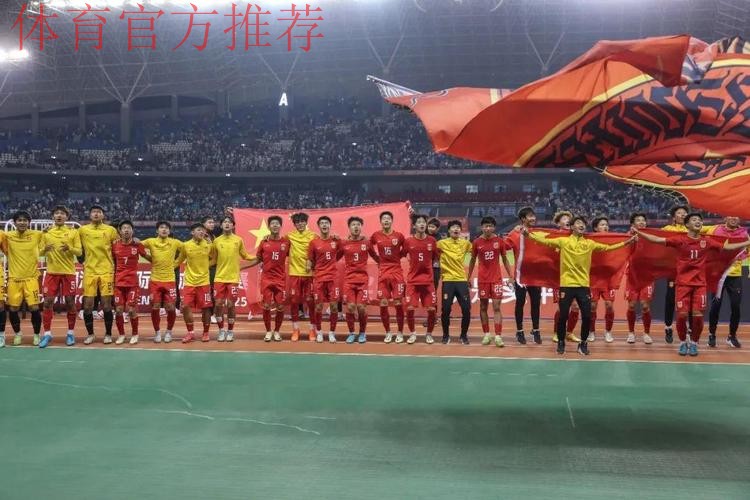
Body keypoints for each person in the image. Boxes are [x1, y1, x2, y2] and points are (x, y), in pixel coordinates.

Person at [633, 213, 750, 356]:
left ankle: (694, 343)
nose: (698, 222)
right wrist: (639, 232)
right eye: (694, 220)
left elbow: (727, 247)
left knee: (698, 316)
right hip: (683, 284)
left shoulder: (706, 241)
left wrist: (746, 243)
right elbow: (657, 239)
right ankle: (683, 342)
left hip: (700, 285)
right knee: (682, 315)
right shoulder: (680, 240)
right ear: (687, 225)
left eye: (700, 220)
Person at [524, 216, 634, 355]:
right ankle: (561, 342)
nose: (581, 225)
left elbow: (608, 248)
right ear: (572, 227)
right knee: (563, 316)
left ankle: (583, 344)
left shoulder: (589, 243)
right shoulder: (563, 241)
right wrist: (528, 235)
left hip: (583, 286)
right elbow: (544, 241)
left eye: (583, 223)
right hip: (566, 285)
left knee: (587, 316)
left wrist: (626, 242)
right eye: (578, 223)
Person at [468, 216, 513, 347]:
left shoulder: (499, 241)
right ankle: (487, 334)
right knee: (483, 307)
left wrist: (511, 276)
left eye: (490, 226)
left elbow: (505, 259)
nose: (488, 228)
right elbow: (472, 260)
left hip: (496, 279)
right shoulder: (476, 242)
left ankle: (498, 336)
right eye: (485, 226)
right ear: (482, 227)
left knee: (497, 307)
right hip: (482, 280)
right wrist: (468, 277)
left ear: (494, 227)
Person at [40, 206, 82, 348]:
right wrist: (44, 250)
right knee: (47, 303)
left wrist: (70, 248)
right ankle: (47, 334)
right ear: (53, 216)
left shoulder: (73, 232)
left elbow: (79, 252)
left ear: (67, 217)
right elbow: (39, 252)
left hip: (68, 273)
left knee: (70, 302)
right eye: (56, 213)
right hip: (51, 273)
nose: (59, 215)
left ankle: (70, 333)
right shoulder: (46, 233)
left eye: (62, 213)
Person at [704, 216, 747, 348]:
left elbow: (746, 252)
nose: (734, 218)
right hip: (718, 274)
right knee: (715, 306)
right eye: (731, 216)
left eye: (736, 216)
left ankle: (732, 336)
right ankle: (712, 334)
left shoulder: (744, 234)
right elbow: (695, 231)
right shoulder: (714, 229)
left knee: (735, 306)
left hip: (735, 274)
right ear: (725, 218)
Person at [78, 205, 119, 344]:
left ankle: (108, 334)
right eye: (94, 212)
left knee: (107, 305)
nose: (96, 214)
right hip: (90, 271)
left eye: (99, 212)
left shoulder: (111, 230)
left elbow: (118, 248)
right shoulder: (82, 230)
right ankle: (90, 334)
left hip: (107, 271)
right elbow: (75, 244)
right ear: (90, 215)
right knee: (88, 306)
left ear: (103, 215)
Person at [3, 211, 44, 347]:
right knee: (13, 309)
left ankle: (36, 335)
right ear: (14, 222)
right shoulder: (7, 236)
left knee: (34, 307)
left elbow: (48, 238)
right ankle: (18, 334)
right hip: (14, 279)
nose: (22, 222)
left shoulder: (37, 234)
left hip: (31, 279)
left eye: (25, 220)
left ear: (29, 222)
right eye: (19, 220)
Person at [212, 216, 253, 342]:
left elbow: (245, 256)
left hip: (233, 278)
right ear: (221, 225)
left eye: (229, 222)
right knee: (218, 304)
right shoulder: (216, 241)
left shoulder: (238, 240)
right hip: (219, 278)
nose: (227, 224)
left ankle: (230, 331)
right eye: (224, 222)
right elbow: (213, 259)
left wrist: (259, 257)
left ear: (233, 226)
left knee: (230, 305)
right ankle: (221, 330)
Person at [249, 216, 289, 342]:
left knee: (280, 306)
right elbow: (258, 259)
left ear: (280, 226)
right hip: (266, 278)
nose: (275, 225)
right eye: (272, 223)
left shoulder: (286, 242)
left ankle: (277, 331)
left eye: (277, 223)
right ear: (269, 226)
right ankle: (268, 331)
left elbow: (295, 255)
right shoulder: (264, 242)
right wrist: (242, 267)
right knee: (266, 305)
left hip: (280, 279)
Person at [174, 223, 215, 343]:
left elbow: (215, 258)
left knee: (206, 308)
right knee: (185, 306)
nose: (202, 232)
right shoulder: (186, 245)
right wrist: (168, 268)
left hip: (204, 282)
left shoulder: (208, 245)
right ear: (192, 232)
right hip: (189, 282)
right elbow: (179, 260)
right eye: (199, 230)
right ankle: (190, 333)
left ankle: (206, 333)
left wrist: (207, 265)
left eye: (203, 230)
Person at [143, 222, 183, 343]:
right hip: (155, 280)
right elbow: (137, 246)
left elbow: (187, 249)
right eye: (161, 228)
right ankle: (157, 332)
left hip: (170, 280)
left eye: (166, 228)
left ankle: (169, 332)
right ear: (157, 230)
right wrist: (149, 258)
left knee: (171, 308)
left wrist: (177, 263)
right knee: (155, 307)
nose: (164, 230)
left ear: (169, 231)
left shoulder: (175, 242)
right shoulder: (150, 241)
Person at [508, 206, 542, 345]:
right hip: (520, 276)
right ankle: (520, 331)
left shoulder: (538, 234)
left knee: (536, 304)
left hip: (535, 276)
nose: (533, 218)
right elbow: (504, 247)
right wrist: (513, 231)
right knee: (520, 303)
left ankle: (536, 330)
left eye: (534, 215)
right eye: (530, 216)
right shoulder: (515, 234)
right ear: (523, 219)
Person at [370, 211, 406, 344]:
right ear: (380, 221)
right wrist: (377, 259)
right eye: (384, 219)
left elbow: (406, 249)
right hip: (383, 272)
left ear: (392, 221)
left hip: (397, 272)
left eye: (388, 218)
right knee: (383, 303)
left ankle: (400, 332)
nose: (386, 220)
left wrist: (397, 258)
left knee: (398, 303)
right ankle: (388, 332)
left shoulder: (399, 236)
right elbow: (368, 246)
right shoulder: (376, 235)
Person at [111, 221, 149, 345]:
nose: (126, 230)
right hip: (118, 283)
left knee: (132, 310)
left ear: (132, 231)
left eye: (129, 228)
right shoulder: (114, 245)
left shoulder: (137, 245)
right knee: (118, 310)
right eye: (124, 228)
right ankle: (121, 335)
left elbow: (148, 257)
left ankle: (135, 334)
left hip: (132, 283)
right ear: (120, 231)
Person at [403, 214, 438, 344]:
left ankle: (429, 334)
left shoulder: (432, 241)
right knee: (410, 309)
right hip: (413, 280)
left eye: (424, 222)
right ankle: (412, 333)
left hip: (428, 281)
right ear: (414, 226)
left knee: (432, 309)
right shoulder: (408, 241)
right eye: (419, 222)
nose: (422, 224)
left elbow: (435, 257)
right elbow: (402, 254)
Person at [340, 216, 376, 344]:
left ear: (361, 227)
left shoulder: (367, 243)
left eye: (358, 225)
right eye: (353, 225)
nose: (356, 227)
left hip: (362, 280)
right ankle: (351, 333)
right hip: (349, 280)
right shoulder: (344, 243)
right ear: (349, 227)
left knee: (361, 307)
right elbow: (334, 257)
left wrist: (386, 264)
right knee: (350, 307)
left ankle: (362, 333)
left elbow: (376, 257)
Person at [436, 220, 472, 345]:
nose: (456, 229)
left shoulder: (466, 244)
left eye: (458, 227)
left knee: (466, 309)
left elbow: (478, 250)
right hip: (448, 280)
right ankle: (446, 335)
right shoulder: (441, 243)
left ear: (460, 230)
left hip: (461, 280)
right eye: (453, 227)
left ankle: (463, 335)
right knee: (446, 310)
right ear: (449, 230)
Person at [306, 216, 340, 343]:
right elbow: (310, 259)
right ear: (319, 226)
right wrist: (309, 266)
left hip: (333, 278)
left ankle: (332, 333)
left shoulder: (336, 241)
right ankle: (319, 332)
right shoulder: (314, 243)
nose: (324, 225)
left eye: (326, 223)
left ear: (330, 225)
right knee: (319, 306)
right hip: (319, 278)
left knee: (334, 307)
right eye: (322, 223)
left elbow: (344, 250)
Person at [287, 212, 318, 341]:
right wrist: (267, 237)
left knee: (311, 302)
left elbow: (319, 252)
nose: (300, 224)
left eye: (302, 221)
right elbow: (278, 242)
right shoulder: (289, 236)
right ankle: (295, 329)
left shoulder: (314, 236)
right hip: (294, 273)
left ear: (306, 222)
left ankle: (312, 330)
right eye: (297, 222)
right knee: (294, 302)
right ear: (294, 224)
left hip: (309, 274)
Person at [624, 213, 654, 345]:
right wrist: (631, 240)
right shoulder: (628, 236)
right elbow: (623, 251)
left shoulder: (651, 237)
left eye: (643, 220)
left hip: (647, 276)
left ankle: (646, 333)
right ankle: (631, 333)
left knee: (645, 306)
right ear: (633, 224)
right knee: (631, 305)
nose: (641, 222)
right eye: (638, 220)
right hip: (632, 277)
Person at [551, 211, 581, 343]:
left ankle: (569, 333)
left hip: (575, 276)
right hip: (559, 278)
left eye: (569, 218)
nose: (568, 220)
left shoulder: (577, 236)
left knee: (575, 307)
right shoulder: (554, 237)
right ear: (558, 223)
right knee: (562, 308)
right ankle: (557, 333)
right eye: (564, 219)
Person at [661, 205, 689, 343]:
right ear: (674, 217)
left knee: (688, 300)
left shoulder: (692, 230)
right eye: (679, 213)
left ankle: (688, 328)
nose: (683, 215)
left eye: (685, 213)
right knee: (671, 299)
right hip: (673, 270)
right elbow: (655, 238)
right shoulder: (667, 229)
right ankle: (668, 327)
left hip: (689, 270)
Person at [589, 216, 617, 343]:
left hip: (608, 278)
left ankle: (608, 331)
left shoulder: (613, 239)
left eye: (606, 224)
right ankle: (591, 331)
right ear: (595, 228)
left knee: (609, 305)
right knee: (592, 306)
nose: (605, 227)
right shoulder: (589, 239)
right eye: (602, 224)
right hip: (593, 277)